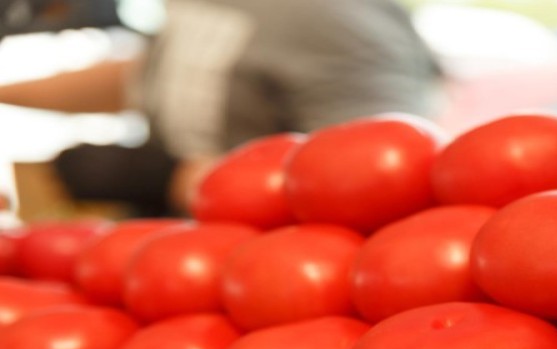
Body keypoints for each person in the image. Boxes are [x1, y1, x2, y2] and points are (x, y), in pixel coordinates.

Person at [0, 0, 444, 215]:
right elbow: (161, 73)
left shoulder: (340, 19)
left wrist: (174, 179)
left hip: (265, 276)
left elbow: (380, 179)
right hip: (176, 251)